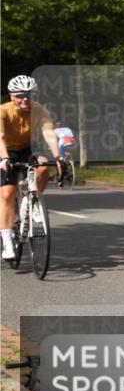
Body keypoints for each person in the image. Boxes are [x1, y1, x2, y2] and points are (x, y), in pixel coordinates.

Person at [0, 75, 61, 262]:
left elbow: (49, 133)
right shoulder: (3, 111)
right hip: (5, 150)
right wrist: (4, 158)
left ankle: (31, 200)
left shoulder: (39, 110)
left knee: (42, 166)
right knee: (7, 195)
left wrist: (58, 157)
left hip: (28, 149)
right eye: (20, 95)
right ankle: (8, 242)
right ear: (12, 96)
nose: (25, 98)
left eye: (29, 94)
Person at [53, 121, 76, 186]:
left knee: (60, 158)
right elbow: (72, 137)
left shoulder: (55, 130)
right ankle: (71, 162)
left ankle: (61, 175)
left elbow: (53, 140)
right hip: (71, 141)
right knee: (68, 152)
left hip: (63, 142)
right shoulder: (68, 129)